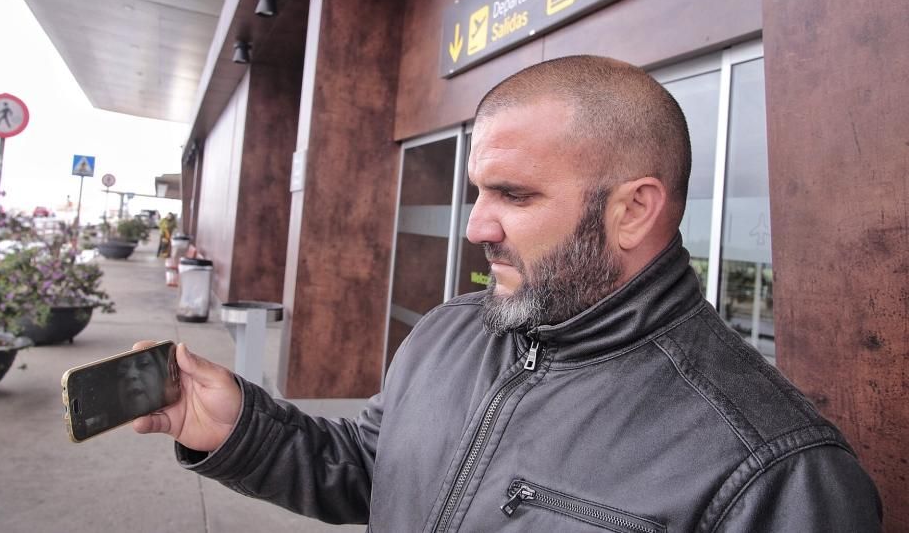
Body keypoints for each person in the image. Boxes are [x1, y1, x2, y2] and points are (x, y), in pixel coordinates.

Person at [133, 56, 882, 531]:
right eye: (477, 191)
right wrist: (238, 427)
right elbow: (373, 475)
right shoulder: (447, 332)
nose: (476, 226)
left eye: (515, 195)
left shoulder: (775, 471)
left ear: (633, 209)